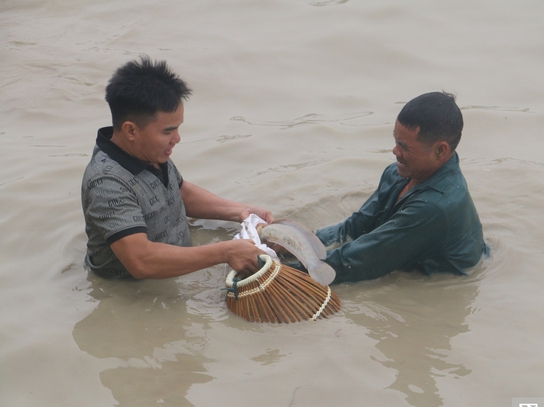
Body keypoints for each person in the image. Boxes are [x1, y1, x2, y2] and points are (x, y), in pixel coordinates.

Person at [81, 57, 271, 280]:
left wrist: (242, 212)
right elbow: (141, 260)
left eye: (178, 128)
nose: (177, 138)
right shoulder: (106, 182)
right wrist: (226, 251)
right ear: (131, 131)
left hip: (179, 267)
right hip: (135, 293)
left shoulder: (148, 150)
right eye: (167, 132)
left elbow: (180, 192)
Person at [314, 91, 488, 284]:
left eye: (405, 147)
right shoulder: (399, 173)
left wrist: (283, 269)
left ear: (440, 150)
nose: (395, 151)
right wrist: (292, 242)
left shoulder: (434, 207)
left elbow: (361, 261)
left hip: (440, 283)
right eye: (396, 141)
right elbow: (356, 227)